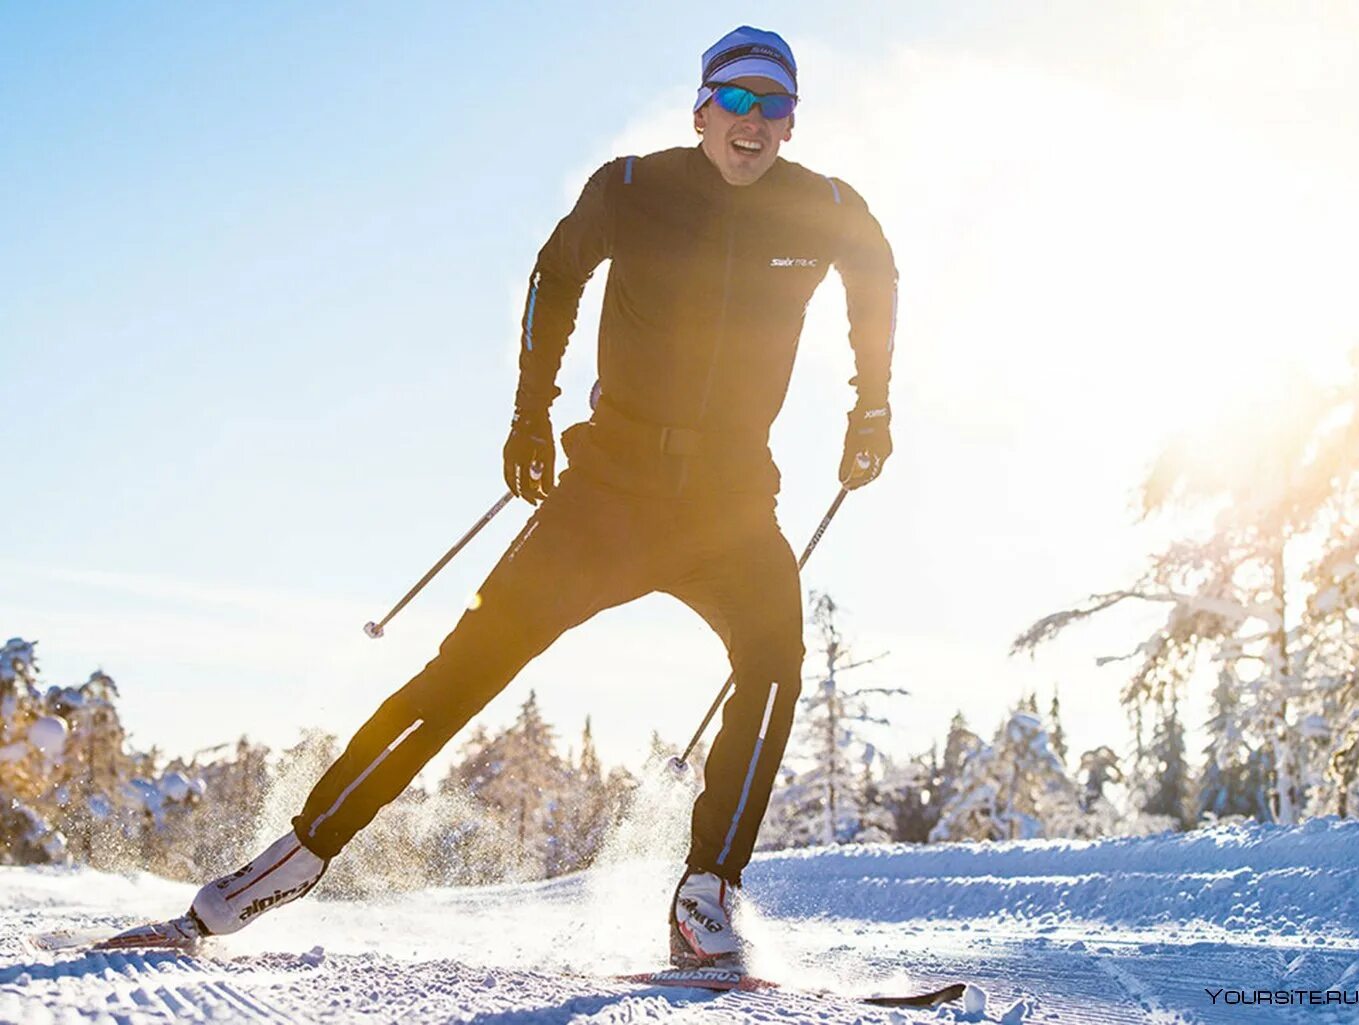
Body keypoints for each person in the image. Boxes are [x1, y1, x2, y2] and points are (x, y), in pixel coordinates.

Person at [135, 26, 897, 969]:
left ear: (790, 123)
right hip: (610, 491)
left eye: (772, 106)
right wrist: (530, 412)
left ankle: (706, 894)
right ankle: (290, 860)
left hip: (732, 504)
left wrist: (874, 403)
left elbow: (877, 273)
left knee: (776, 658)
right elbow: (556, 274)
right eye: (734, 101)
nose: (752, 123)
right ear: (700, 109)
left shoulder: (822, 207)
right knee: (464, 671)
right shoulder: (631, 188)